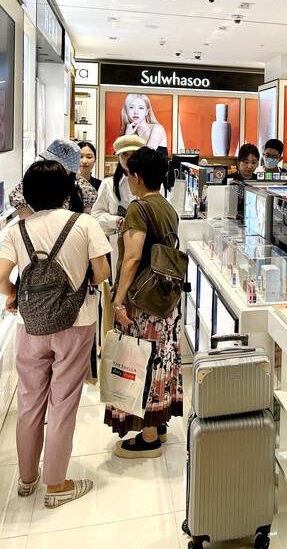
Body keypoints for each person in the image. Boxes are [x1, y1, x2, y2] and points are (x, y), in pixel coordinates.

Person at [0, 161, 111, 508]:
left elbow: (1, 276)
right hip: (76, 323)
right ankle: (57, 484)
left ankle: (27, 478)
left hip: (30, 325)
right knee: (63, 403)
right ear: (67, 192)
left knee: (30, 401)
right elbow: (102, 272)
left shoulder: (17, 229)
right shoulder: (84, 223)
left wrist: (13, 294)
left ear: (28, 193)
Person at [107, 147, 183, 457]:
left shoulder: (138, 208)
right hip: (163, 300)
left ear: (136, 177)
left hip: (142, 301)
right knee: (161, 358)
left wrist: (118, 300)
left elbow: (133, 257)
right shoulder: (167, 206)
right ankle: (158, 423)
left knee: (141, 361)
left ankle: (149, 436)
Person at [92, 135, 145, 281]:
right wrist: (116, 221)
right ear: (118, 157)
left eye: (134, 154)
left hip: (146, 247)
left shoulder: (152, 184)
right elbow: (95, 217)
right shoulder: (108, 184)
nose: (130, 159)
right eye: (125, 154)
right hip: (116, 247)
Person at [9, 139, 98, 218]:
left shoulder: (82, 188)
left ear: (71, 170)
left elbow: (86, 219)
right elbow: (18, 202)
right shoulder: (34, 178)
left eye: (60, 165)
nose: (53, 167)